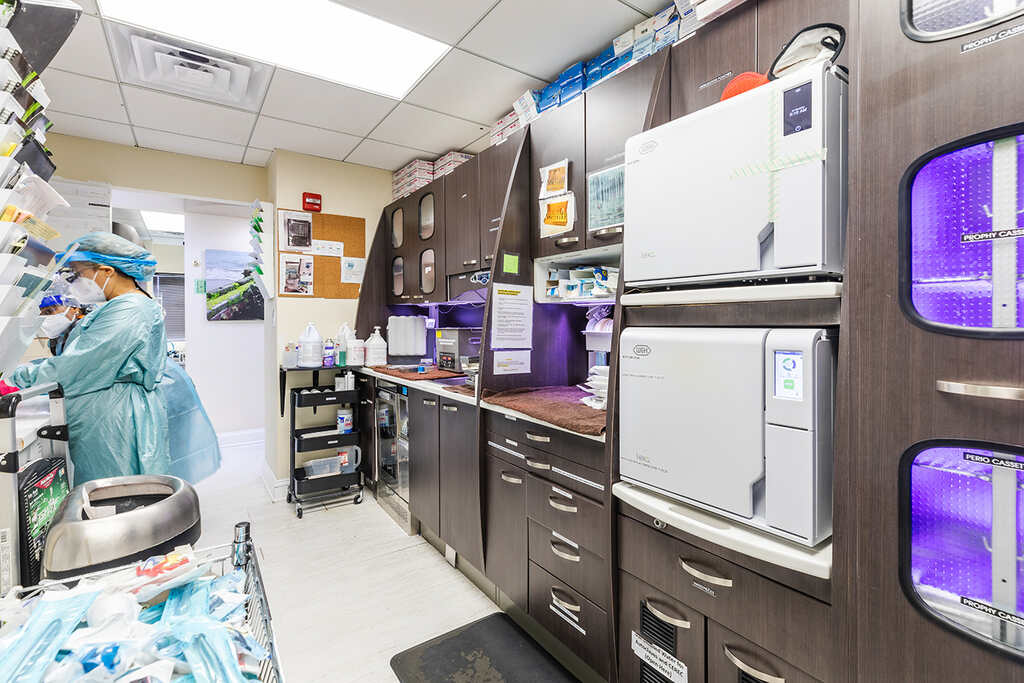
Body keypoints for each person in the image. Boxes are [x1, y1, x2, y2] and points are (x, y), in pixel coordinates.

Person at [6, 232, 170, 484]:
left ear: (106, 271)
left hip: (116, 422)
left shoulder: (130, 309)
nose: (72, 282)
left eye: (76, 274)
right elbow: (80, 355)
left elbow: (77, 366)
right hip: (107, 414)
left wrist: (13, 377)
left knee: (115, 499)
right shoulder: (117, 306)